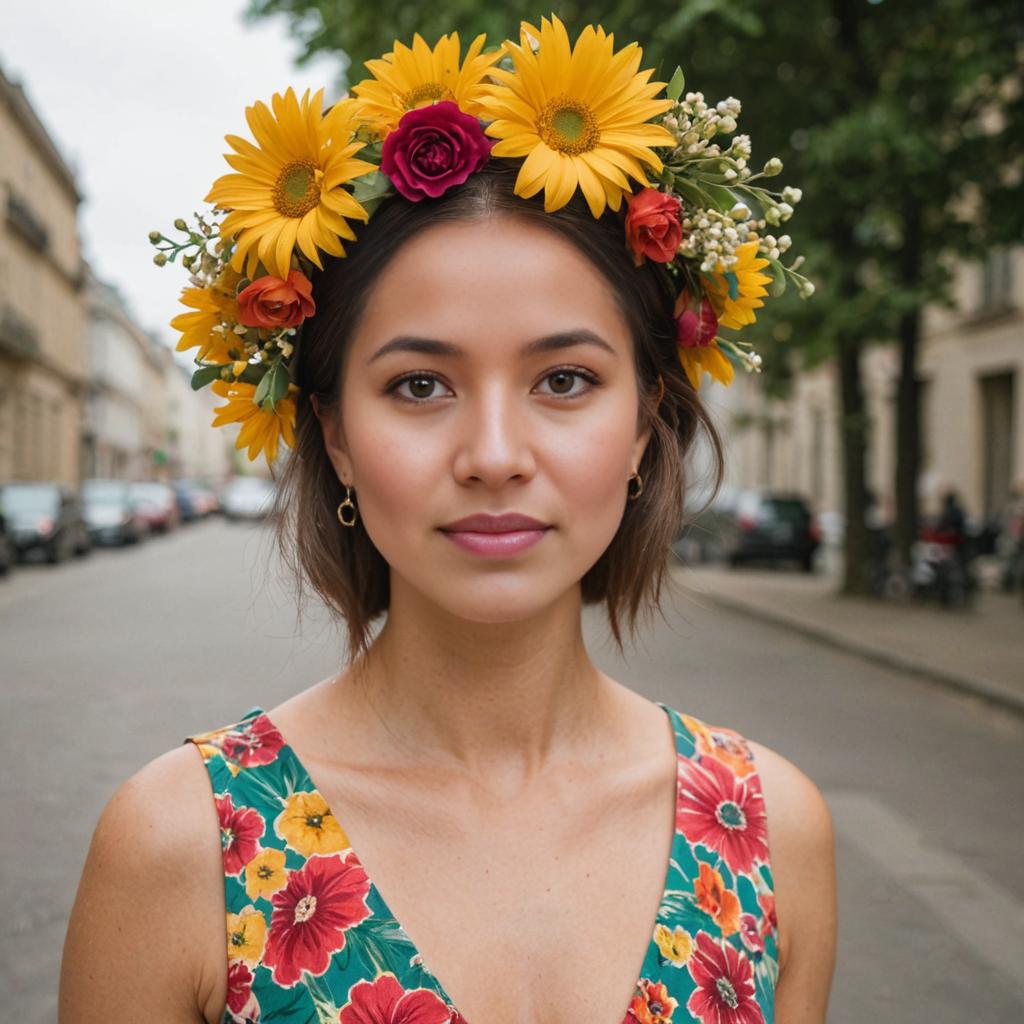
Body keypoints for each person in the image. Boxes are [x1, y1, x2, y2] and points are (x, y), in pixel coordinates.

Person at [59, 18, 836, 1024]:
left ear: (647, 423)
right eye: (421, 384)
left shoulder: (773, 829)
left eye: (565, 379)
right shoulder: (179, 848)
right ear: (332, 433)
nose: (495, 453)